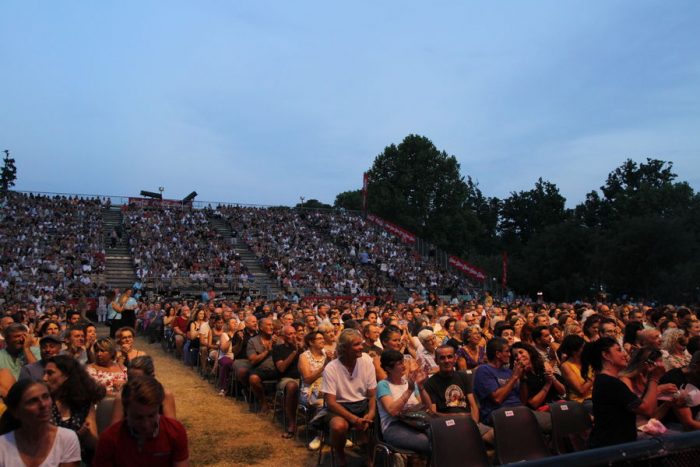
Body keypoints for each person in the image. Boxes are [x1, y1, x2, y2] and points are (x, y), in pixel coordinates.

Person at [583, 337, 667, 448]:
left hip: (619, 444)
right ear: (606, 355)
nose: (625, 354)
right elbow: (647, 410)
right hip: (613, 449)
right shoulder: (609, 383)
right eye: (618, 350)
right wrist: (654, 379)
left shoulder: (608, 381)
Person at [93, 376, 189, 467]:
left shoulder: (175, 432)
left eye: (151, 416)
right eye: (138, 417)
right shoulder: (109, 439)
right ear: (125, 410)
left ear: (158, 408)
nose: (146, 425)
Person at [321, 329, 377, 467]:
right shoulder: (331, 368)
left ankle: (371, 454)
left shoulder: (366, 361)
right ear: (344, 348)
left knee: (381, 418)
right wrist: (353, 419)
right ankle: (340, 455)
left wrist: (371, 413)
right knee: (338, 426)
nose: (361, 347)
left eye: (361, 343)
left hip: (362, 404)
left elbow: (372, 394)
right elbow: (331, 402)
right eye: (356, 345)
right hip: (340, 407)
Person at [0, 380, 81, 467]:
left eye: (46, 397)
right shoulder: (2, 444)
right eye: (32, 401)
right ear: (15, 412)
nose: (43, 405)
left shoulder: (67, 439)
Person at [43, 355, 105, 463]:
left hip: (79, 457)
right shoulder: (43, 403)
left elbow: (93, 444)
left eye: (50, 373)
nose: (44, 378)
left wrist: (86, 434)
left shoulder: (84, 403)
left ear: (66, 376)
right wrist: (74, 436)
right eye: (44, 373)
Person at [424, 345, 493, 442]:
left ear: (455, 358)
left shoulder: (463, 376)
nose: (447, 360)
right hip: (448, 424)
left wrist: (473, 424)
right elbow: (432, 413)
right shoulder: (430, 383)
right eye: (442, 358)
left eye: (449, 357)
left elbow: (473, 405)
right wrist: (457, 417)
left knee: (494, 436)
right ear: (436, 361)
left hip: (469, 422)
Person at [376, 349, 431, 458]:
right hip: (393, 426)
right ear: (388, 368)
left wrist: (420, 386)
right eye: (399, 363)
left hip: (415, 421)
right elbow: (392, 411)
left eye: (403, 361)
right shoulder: (383, 385)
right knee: (426, 443)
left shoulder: (408, 382)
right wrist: (409, 390)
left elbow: (426, 406)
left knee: (442, 435)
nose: (404, 365)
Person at [109, 356, 177, 425]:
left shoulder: (165, 396)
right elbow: (115, 429)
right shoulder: (122, 397)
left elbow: (172, 428)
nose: (133, 384)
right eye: (130, 379)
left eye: (138, 380)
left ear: (151, 377)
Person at [510, 342, 567, 410]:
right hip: (540, 411)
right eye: (515, 356)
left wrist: (553, 378)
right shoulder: (520, 377)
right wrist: (547, 384)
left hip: (558, 404)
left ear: (530, 352)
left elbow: (562, 391)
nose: (519, 357)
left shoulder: (543, 366)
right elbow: (533, 404)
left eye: (521, 352)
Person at [298, 331, 329, 450]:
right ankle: (319, 436)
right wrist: (324, 367)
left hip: (326, 388)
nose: (323, 340)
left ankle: (337, 434)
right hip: (309, 390)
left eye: (323, 338)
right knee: (323, 403)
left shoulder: (327, 354)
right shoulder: (304, 357)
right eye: (319, 339)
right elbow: (307, 379)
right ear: (311, 342)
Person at [273, 325, 302, 438]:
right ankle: (291, 422)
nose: (293, 336)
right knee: (292, 386)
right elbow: (281, 368)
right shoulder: (278, 349)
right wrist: (294, 352)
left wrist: (300, 349)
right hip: (286, 379)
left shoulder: (302, 347)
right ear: (283, 336)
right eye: (290, 334)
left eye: (294, 333)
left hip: (303, 378)